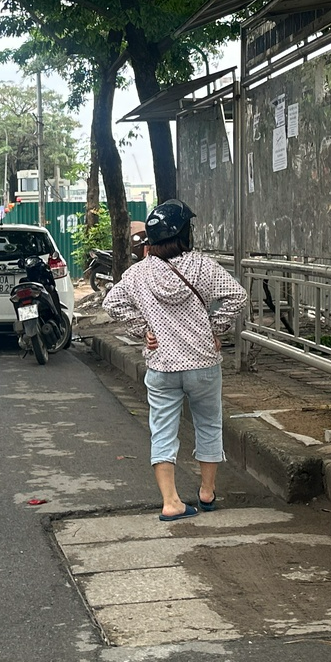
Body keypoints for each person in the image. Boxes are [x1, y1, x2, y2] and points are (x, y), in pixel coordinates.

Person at [102, 200, 243, 520]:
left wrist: (143, 330)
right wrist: (214, 328)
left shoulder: (138, 273)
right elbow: (237, 296)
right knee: (208, 425)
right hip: (203, 363)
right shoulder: (204, 266)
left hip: (162, 364)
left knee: (163, 431)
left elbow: (112, 304)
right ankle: (207, 493)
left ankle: (171, 502)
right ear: (185, 234)